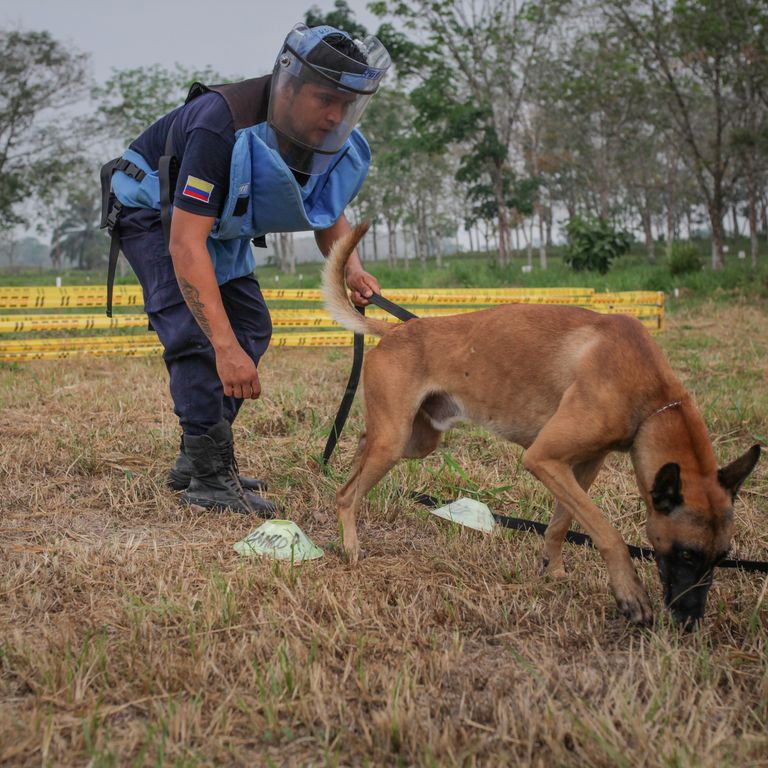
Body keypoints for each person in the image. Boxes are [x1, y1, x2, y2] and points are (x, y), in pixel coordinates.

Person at [101, 23, 391, 515]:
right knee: (199, 336)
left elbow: (326, 206)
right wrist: (223, 346)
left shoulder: (317, 133)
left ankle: (196, 459)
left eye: (346, 104)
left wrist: (352, 270)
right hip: (153, 211)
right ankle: (210, 480)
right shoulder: (219, 125)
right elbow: (185, 243)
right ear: (289, 86)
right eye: (325, 99)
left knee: (251, 327)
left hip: (216, 222)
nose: (334, 115)